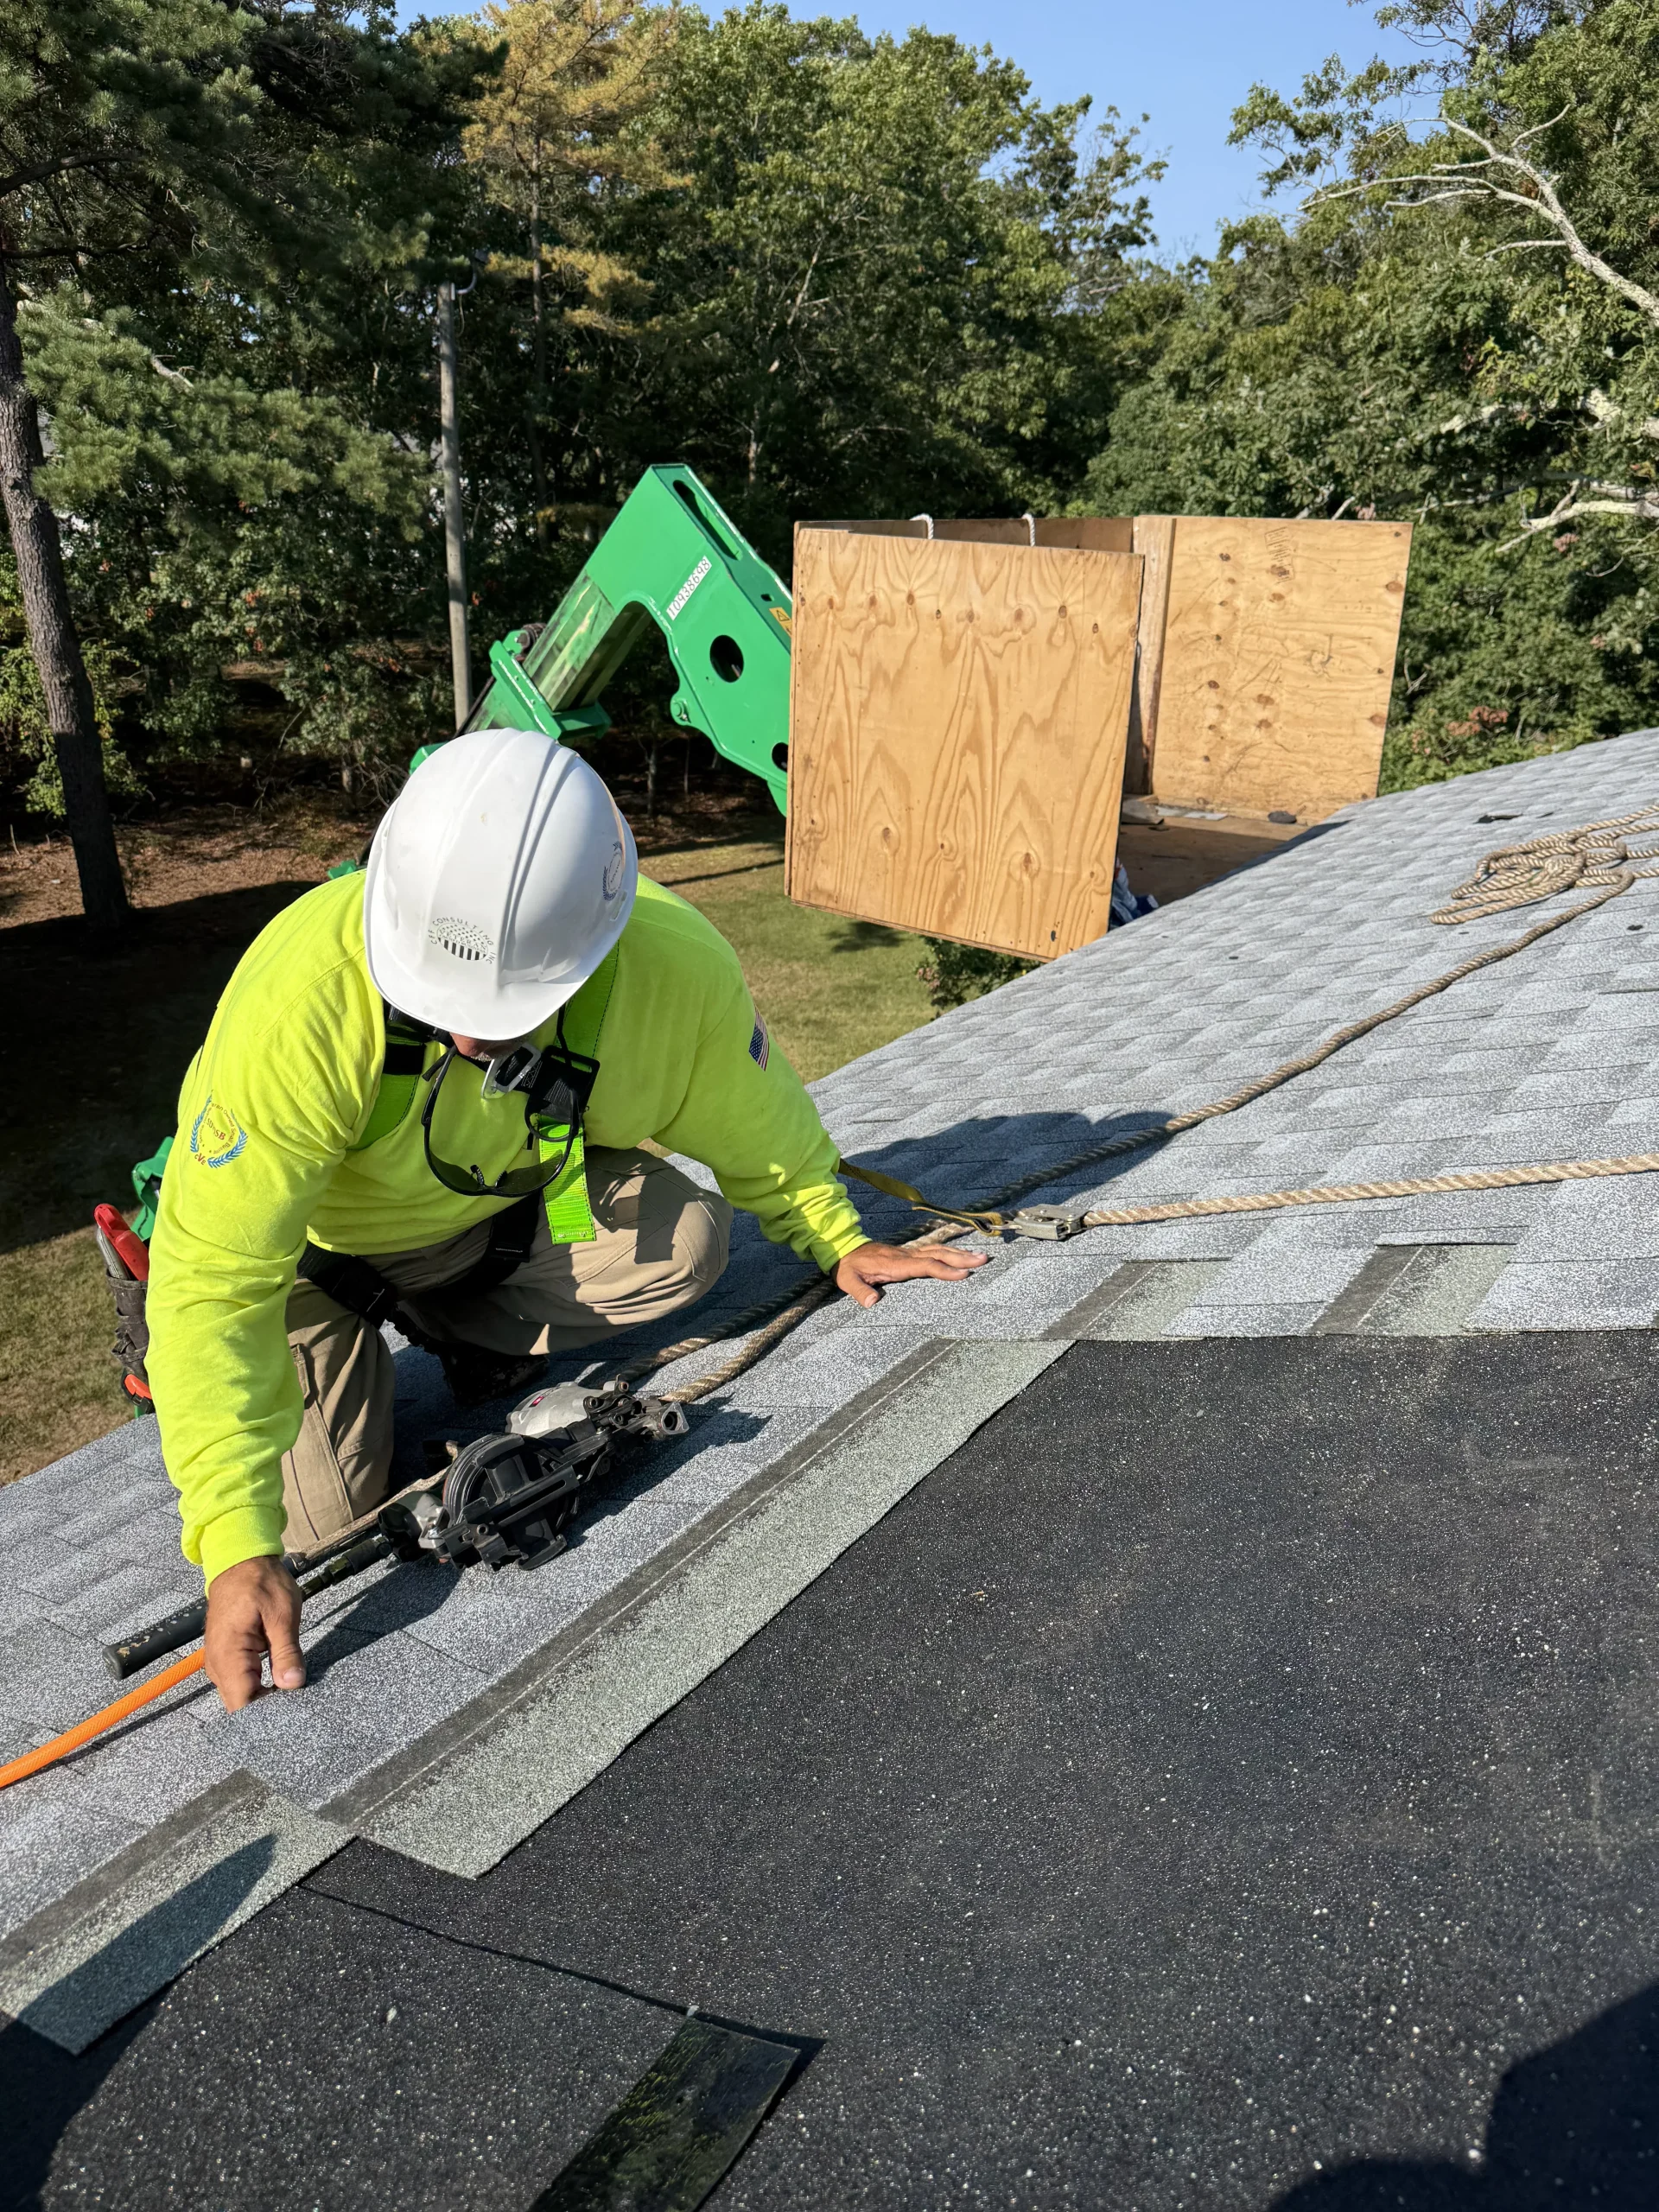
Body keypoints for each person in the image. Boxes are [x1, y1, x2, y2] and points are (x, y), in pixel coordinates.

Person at [144, 730, 985, 1713]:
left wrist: (833, 1232)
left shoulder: (668, 971)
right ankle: (364, 1367)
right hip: (311, 1273)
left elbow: (750, 1114)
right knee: (319, 1525)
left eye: (508, 1009)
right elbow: (215, 1279)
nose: (467, 1032)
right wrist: (236, 1541)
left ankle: (456, 1325)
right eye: (442, 999)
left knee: (686, 1243)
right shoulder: (302, 1003)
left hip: (494, 1217)